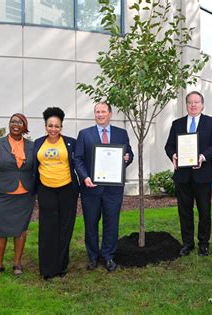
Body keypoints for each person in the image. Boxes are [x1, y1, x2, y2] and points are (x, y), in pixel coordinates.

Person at [74, 102, 133, 272]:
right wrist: (84, 178)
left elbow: (129, 154)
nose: (100, 114)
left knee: (111, 223)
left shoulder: (121, 134)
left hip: (113, 189)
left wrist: (127, 158)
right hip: (90, 188)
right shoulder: (85, 134)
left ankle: (108, 256)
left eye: (103, 111)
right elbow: (77, 159)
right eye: (97, 112)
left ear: (110, 114)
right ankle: (93, 257)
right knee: (91, 224)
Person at [164, 91, 212, 256]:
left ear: (202, 105)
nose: (193, 105)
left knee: (204, 211)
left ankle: (204, 243)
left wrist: (202, 157)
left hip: (202, 174)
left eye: (197, 102)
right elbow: (169, 146)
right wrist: (173, 155)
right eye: (190, 102)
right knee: (184, 211)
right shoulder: (177, 124)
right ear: (186, 104)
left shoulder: (211, 122)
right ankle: (187, 243)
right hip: (182, 175)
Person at [0, 113, 35, 280]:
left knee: (21, 230)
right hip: (3, 194)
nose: (15, 124)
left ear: (24, 126)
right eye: (13, 121)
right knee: (0, 231)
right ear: (9, 124)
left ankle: (17, 263)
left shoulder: (32, 146)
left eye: (19, 122)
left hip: (25, 195)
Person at [33, 107, 79, 280]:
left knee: (65, 227)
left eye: (57, 126)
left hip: (67, 189)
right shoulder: (38, 143)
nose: (53, 129)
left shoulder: (70, 142)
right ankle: (47, 268)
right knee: (47, 228)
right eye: (50, 125)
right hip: (46, 189)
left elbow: (81, 161)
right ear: (45, 126)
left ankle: (61, 267)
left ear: (61, 127)